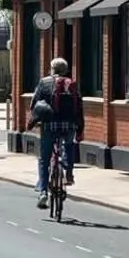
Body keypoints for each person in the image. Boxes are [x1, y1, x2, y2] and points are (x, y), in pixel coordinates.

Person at [28, 57, 84, 210]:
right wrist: (79, 128)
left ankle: (43, 192)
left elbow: (34, 104)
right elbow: (79, 106)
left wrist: (34, 120)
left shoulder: (44, 82)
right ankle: (69, 172)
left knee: (44, 159)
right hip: (68, 126)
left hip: (49, 126)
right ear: (65, 70)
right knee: (69, 145)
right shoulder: (71, 84)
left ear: (52, 69)